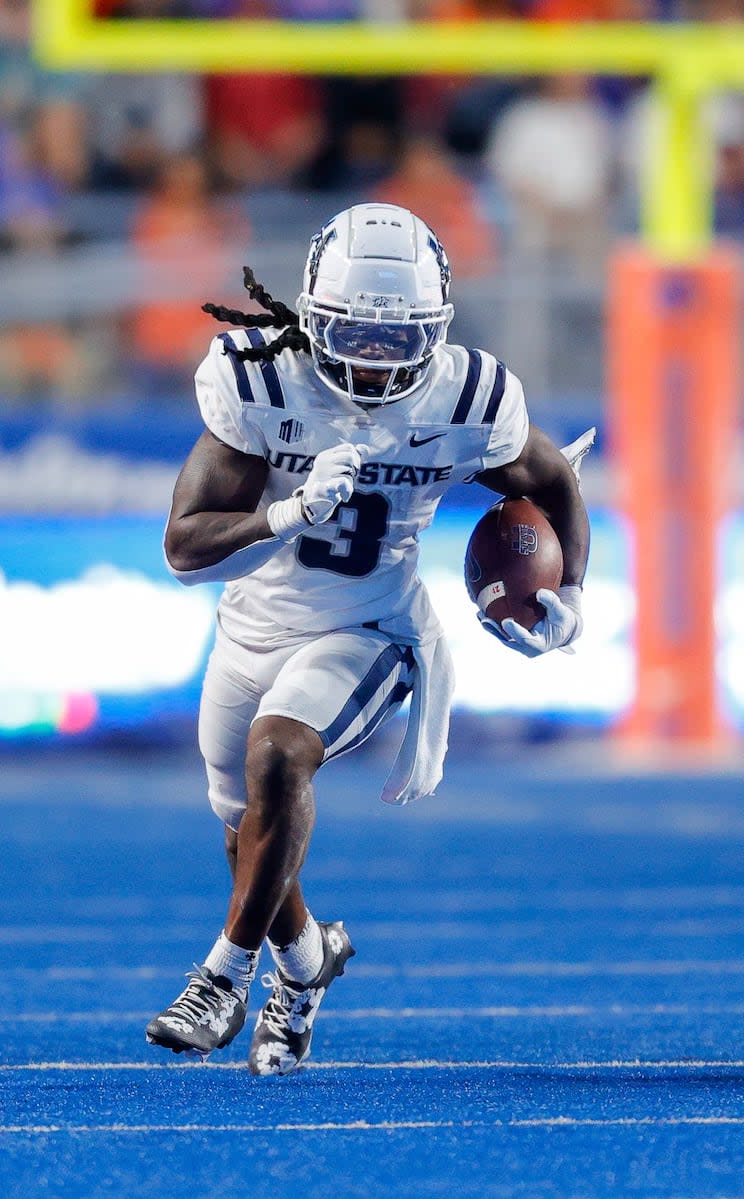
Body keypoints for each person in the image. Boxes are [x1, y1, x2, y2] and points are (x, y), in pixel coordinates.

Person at [145, 202, 591, 1076]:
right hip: (253, 626)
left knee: (279, 756)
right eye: (356, 334)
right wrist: (283, 509)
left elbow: (553, 479)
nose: (377, 361)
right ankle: (307, 968)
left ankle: (220, 978)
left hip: (370, 624)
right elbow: (183, 545)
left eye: (399, 340)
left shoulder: (467, 397)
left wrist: (568, 591)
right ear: (311, 318)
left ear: (439, 328)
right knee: (247, 837)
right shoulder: (264, 380)